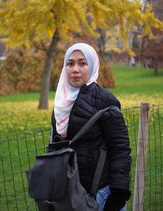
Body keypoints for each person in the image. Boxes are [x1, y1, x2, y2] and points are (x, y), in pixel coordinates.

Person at [50, 43, 131, 211]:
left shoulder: (104, 100)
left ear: (92, 66)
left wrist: (118, 193)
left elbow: (120, 148)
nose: (75, 69)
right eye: (70, 63)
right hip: (68, 190)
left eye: (82, 63)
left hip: (100, 192)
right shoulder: (60, 102)